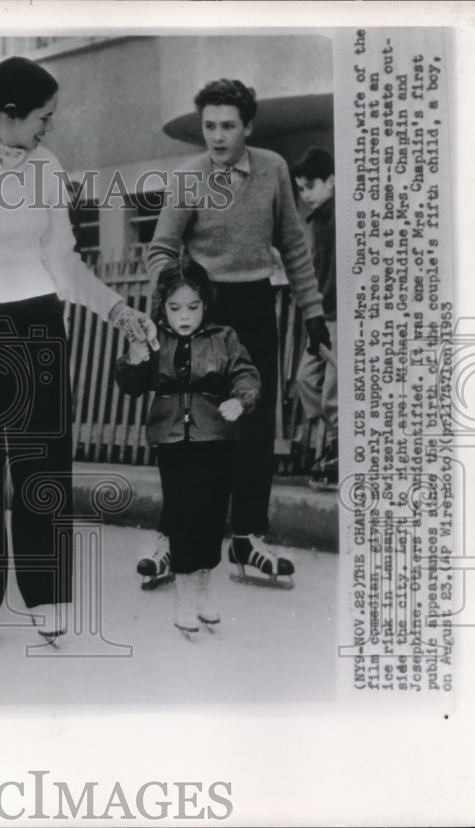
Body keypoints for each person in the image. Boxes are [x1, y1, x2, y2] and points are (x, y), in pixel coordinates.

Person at [0, 56, 158, 646]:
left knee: (42, 462)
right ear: (9, 113)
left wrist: (117, 309)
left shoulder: (48, 167)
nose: (50, 127)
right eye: (43, 117)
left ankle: (46, 593)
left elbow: (64, 261)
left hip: (37, 325)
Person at [144, 79, 330, 588]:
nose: (218, 137)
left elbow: (294, 246)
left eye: (228, 126)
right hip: (202, 310)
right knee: (192, 430)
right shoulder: (188, 177)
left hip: (253, 307)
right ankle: (172, 539)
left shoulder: (271, 169)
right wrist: (173, 296)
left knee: (252, 429)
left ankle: (248, 540)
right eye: (209, 126)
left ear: (248, 126)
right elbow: (161, 248)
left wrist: (313, 313)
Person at [115, 261, 260, 635]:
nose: (184, 316)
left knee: (211, 515)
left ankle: (205, 588)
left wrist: (241, 400)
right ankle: (183, 594)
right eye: (175, 308)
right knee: (181, 514)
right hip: (171, 440)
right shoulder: (152, 338)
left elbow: (246, 372)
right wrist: (134, 352)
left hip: (216, 437)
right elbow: (132, 382)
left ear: (206, 305)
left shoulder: (224, 337)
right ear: (161, 306)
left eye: (193, 307)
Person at [291, 147, 338, 487]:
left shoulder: (342, 217)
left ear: (331, 181)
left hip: (340, 316)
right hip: (320, 317)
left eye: (310, 186)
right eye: (301, 189)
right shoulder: (316, 221)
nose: (305, 195)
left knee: (335, 391)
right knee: (306, 379)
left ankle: (339, 450)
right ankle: (335, 438)